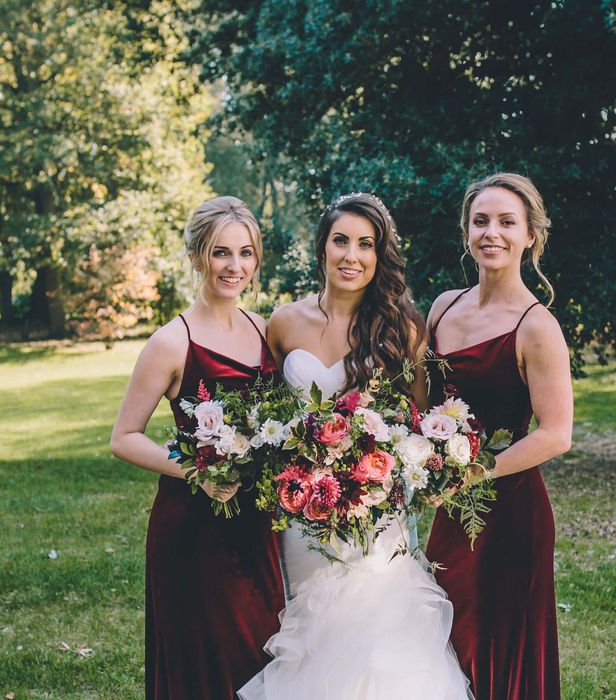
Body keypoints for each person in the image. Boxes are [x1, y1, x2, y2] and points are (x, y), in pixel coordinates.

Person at [238, 192, 473, 700]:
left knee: (378, 645)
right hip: (302, 513)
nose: (351, 255)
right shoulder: (283, 322)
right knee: (312, 639)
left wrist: (378, 476)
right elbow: (270, 416)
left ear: (379, 254)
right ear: (321, 247)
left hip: (376, 517)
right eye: (340, 241)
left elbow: (415, 422)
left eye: (366, 245)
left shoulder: (402, 328)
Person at [110, 196, 284, 699]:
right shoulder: (171, 342)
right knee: (209, 659)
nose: (235, 267)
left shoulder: (262, 329)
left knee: (260, 655)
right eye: (221, 253)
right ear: (196, 257)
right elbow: (124, 437)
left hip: (256, 522)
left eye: (246, 253)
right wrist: (198, 471)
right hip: (193, 528)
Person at [426, 173, 574, 699]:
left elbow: (557, 435)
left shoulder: (537, 326)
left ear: (530, 235)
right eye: (481, 220)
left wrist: (472, 472)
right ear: (467, 230)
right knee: (443, 636)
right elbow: (423, 405)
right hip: (450, 507)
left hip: (510, 513)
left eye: (507, 222)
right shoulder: (442, 307)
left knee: (500, 650)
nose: (492, 232)